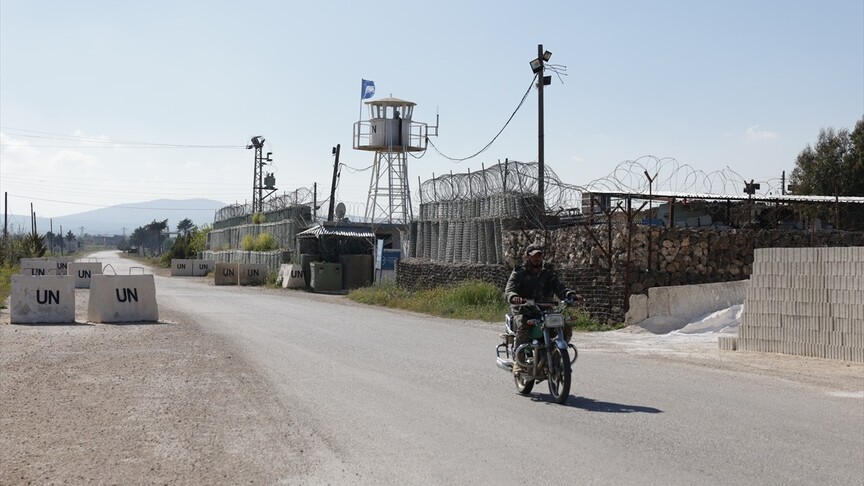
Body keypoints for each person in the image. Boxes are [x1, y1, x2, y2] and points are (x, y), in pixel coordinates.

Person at [504, 243, 577, 375]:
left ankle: (554, 351)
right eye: (534, 256)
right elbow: (510, 289)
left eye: (539, 256)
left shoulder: (548, 272)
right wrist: (514, 297)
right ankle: (518, 362)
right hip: (524, 309)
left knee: (565, 327)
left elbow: (559, 287)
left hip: (545, 310)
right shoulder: (519, 272)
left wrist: (568, 294)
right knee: (524, 327)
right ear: (527, 257)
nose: (537, 259)